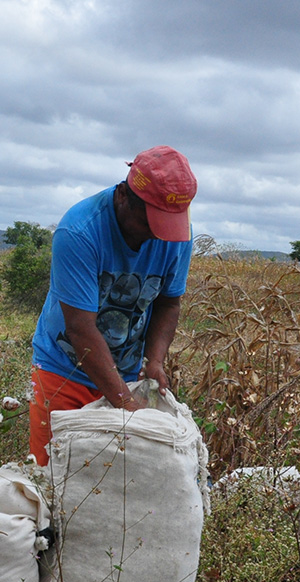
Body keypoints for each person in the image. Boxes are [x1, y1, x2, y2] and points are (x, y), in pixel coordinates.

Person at [29, 145, 197, 466]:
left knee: (117, 480)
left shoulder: (176, 237)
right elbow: (80, 328)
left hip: (127, 373)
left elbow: (168, 302)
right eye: (150, 224)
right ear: (123, 196)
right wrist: (127, 406)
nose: (157, 237)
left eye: (166, 226)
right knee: (52, 473)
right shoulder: (79, 231)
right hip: (63, 373)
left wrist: (155, 361)